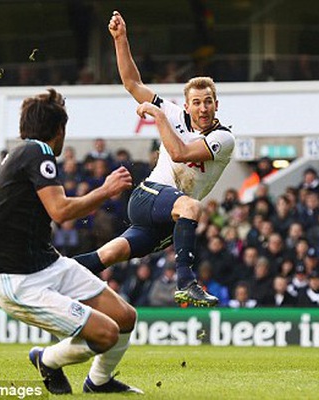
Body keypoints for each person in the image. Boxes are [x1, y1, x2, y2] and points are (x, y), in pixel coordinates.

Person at [74, 11, 235, 307]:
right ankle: (187, 283)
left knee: (107, 256)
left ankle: (55, 275)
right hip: (149, 196)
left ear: (216, 104)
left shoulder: (223, 138)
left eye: (208, 102)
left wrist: (157, 116)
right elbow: (132, 83)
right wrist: (120, 39)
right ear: (187, 105)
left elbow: (180, 153)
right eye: (196, 102)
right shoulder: (174, 114)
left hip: (170, 218)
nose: (202, 108)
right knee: (190, 205)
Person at [0, 89, 140, 394]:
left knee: (124, 316)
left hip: (47, 263)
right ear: (59, 130)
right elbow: (61, 211)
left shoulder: (19, 155)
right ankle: (46, 359)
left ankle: (99, 382)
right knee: (106, 334)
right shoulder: (37, 152)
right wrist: (105, 191)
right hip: (19, 281)